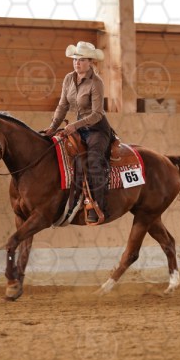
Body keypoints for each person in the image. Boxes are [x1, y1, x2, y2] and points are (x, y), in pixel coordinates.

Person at [44, 41, 112, 223]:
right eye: (75, 59)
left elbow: (97, 114)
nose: (77, 63)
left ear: (90, 62)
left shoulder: (96, 83)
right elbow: (62, 105)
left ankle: (98, 206)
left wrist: (75, 125)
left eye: (81, 60)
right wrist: (53, 127)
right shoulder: (68, 79)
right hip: (80, 128)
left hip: (97, 129)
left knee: (94, 160)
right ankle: (69, 200)